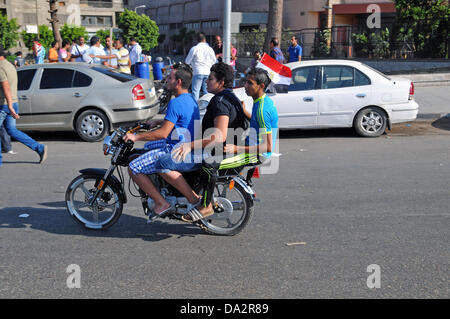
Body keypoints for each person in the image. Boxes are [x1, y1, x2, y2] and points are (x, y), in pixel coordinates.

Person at [154, 62, 249, 222]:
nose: (206, 81)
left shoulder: (220, 102)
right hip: (222, 152)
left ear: (221, 82)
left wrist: (188, 145)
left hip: (213, 155)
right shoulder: (231, 97)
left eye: (210, 79)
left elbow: (219, 136)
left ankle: (197, 202)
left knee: (162, 163)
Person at [123, 63, 200, 217]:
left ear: (178, 82)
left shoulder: (175, 102)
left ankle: (161, 202)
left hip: (175, 149)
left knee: (133, 167)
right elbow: (179, 122)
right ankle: (162, 187)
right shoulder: (190, 99)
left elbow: (163, 134)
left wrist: (135, 137)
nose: (166, 80)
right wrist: (158, 122)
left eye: (170, 78)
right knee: (149, 146)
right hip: (183, 143)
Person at [0, 45, 47, 168]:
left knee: (11, 130)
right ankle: (39, 148)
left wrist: (9, 105)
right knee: (12, 130)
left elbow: (5, 86)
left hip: (4, 105)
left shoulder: (0, 67)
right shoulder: (9, 65)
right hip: (14, 102)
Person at [223, 67, 278, 168]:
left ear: (261, 86)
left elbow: (267, 147)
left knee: (213, 165)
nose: (245, 86)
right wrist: (244, 112)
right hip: (250, 145)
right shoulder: (260, 100)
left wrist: (237, 149)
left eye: (250, 83)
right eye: (246, 82)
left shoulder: (262, 109)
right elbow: (257, 121)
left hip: (258, 155)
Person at [185, 32, 216, 101]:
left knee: (196, 91)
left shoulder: (194, 48)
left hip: (197, 72)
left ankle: (195, 108)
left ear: (197, 40)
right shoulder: (210, 49)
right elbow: (214, 60)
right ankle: (207, 107)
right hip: (208, 72)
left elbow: (187, 61)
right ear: (204, 39)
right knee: (207, 91)